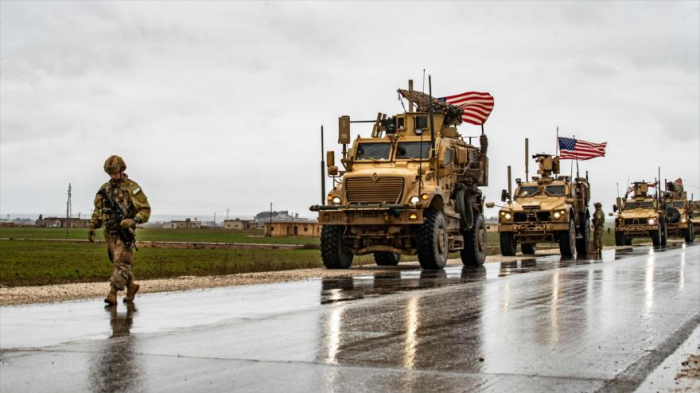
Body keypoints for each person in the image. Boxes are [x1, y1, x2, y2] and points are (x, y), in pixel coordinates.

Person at [89, 155, 151, 305]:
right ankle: (131, 286)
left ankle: (112, 293)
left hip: (124, 234)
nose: (113, 176)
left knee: (121, 263)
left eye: (115, 173)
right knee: (117, 262)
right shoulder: (104, 189)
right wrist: (92, 225)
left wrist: (133, 220)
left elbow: (145, 210)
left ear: (122, 170)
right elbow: (99, 210)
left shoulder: (132, 188)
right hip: (109, 232)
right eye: (110, 173)